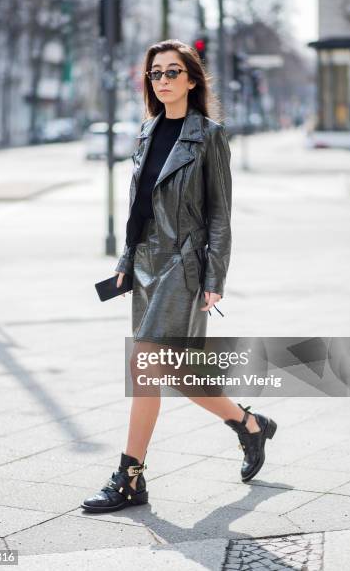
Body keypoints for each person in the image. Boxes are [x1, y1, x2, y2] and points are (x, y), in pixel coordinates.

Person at [81, 39, 277, 514]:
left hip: (183, 267)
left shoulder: (209, 135)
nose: (164, 80)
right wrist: (126, 262)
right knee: (178, 371)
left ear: (192, 79)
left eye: (173, 72)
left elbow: (219, 215)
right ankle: (249, 424)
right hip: (145, 264)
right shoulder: (146, 131)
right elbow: (139, 207)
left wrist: (215, 276)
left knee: (145, 366)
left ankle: (130, 478)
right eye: (156, 74)